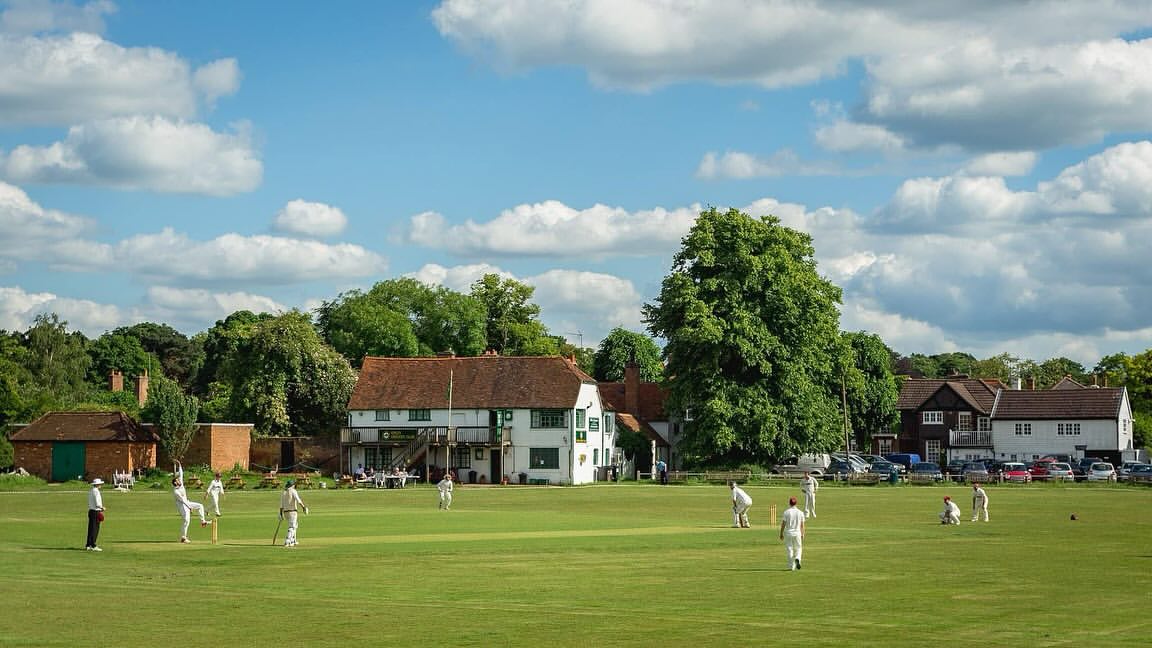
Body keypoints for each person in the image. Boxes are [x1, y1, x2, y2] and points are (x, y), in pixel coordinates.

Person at [172, 462, 209, 543]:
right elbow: (182, 501)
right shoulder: (176, 492)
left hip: (187, 503)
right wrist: (189, 508)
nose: (179, 480)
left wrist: (179, 464)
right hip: (182, 507)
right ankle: (183, 538)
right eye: (177, 480)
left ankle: (203, 521)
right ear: (175, 483)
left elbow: (181, 474)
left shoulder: (180, 485)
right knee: (186, 520)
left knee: (200, 506)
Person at [779, 496, 806, 570]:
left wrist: (781, 533)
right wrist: (802, 534)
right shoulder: (800, 512)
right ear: (796, 503)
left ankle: (791, 566)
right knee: (798, 548)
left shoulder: (786, 512)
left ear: (789, 503)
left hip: (788, 533)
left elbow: (783, 524)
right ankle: (797, 558)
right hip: (797, 533)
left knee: (789, 549)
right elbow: (802, 525)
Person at [280, 480, 309, 547]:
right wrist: (303, 507)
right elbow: (298, 500)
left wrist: (280, 514)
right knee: (292, 527)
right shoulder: (293, 491)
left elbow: (281, 505)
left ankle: (293, 540)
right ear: (292, 485)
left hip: (285, 512)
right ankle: (287, 541)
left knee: (295, 525)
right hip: (292, 512)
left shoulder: (284, 492)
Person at [86, 478, 105, 551]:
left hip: (91, 511)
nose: (101, 485)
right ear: (97, 484)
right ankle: (93, 545)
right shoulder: (96, 492)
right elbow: (97, 503)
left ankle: (88, 544)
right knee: (95, 529)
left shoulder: (91, 491)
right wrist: (102, 508)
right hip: (96, 511)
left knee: (90, 529)